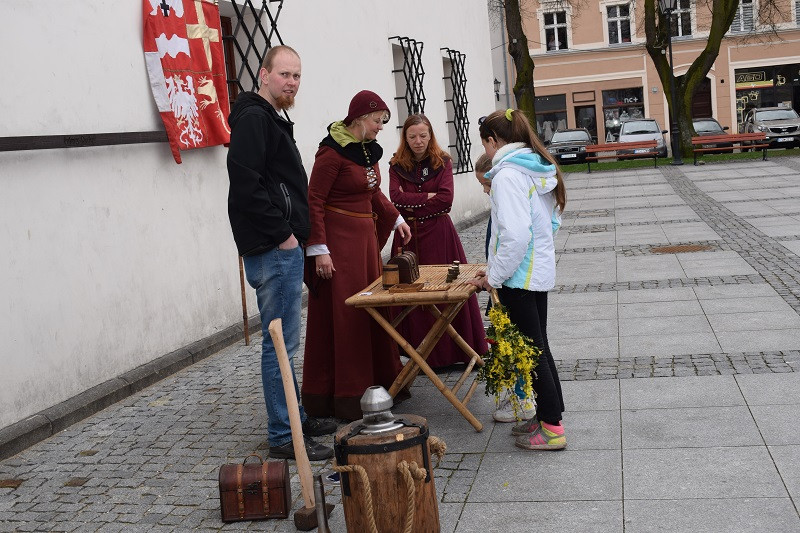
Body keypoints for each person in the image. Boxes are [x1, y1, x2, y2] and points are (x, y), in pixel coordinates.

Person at [226, 45, 336, 461]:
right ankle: (283, 434)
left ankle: (297, 418)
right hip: (275, 248)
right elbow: (246, 182)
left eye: (297, 76)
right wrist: (283, 235)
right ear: (264, 75)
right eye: (285, 74)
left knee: (285, 342)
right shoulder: (256, 118)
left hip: (280, 245)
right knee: (279, 344)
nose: (291, 82)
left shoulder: (268, 117)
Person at [302, 90, 412, 421]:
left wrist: (396, 217)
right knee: (346, 315)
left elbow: (373, 192)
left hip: (364, 245)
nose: (380, 127)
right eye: (377, 121)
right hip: (339, 245)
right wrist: (319, 250)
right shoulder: (331, 154)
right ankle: (346, 395)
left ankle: (379, 385)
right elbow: (315, 200)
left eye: (382, 122)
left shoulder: (367, 152)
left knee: (371, 312)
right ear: (360, 119)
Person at [470, 108, 568, 450]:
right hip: (533, 272)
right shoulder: (533, 167)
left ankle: (552, 427)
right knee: (539, 345)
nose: (486, 153)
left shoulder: (509, 175)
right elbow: (552, 220)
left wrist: (495, 275)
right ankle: (547, 416)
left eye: (485, 145)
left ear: (494, 141)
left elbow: (514, 235)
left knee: (532, 350)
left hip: (519, 278)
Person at [387, 114, 488, 369]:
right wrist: (425, 198)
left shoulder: (442, 161)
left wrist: (412, 199)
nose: (418, 141)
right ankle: (422, 354)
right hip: (407, 235)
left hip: (439, 234)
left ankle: (458, 351)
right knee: (411, 293)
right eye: (412, 137)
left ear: (430, 135)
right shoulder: (396, 164)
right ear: (405, 138)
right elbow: (394, 200)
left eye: (423, 135)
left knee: (447, 289)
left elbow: (446, 199)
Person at [475, 152, 536, 423]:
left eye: (487, 186)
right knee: (506, 342)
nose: (486, 191)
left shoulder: (507, 201)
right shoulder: (501, 205)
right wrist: (490, 267)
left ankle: (523, 399)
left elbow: (511, 244)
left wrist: (494, 274)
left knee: (514, 343)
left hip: (507, 284)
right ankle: (517, 394)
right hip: (500, 279)